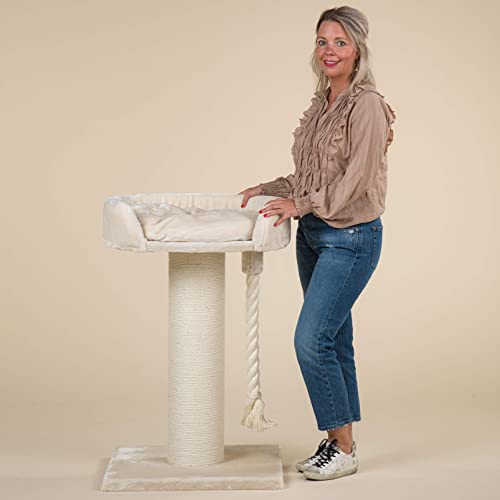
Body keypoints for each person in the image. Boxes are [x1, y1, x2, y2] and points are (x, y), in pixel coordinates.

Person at [239, 6, 396, 481]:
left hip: (351, 237)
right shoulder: (322, 103)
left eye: (340, 42)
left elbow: (356, 180)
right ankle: (338, 441)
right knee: (336, 340)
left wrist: (300, 203)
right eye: (322, 41)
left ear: (358, 50)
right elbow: (309, 176)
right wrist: (270, 188)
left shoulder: (367, 106)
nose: (330, 51)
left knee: (312, 341)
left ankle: (342, 448)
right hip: (313, 236)